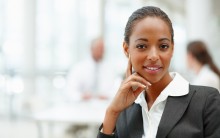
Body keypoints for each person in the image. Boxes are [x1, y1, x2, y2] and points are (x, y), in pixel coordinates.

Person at [97, 6, 220, 138]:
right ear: (127, 49)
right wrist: (112, 112)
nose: (154, 56)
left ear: (172, 49)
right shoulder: (124, 110)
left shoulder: (206, 101)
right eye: (142, 46)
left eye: (163, 46)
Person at [66, 37, 119, 101]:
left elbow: (116, 90)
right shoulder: (78, 68)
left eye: (103, 49)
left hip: (104, 105)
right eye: (99, 49)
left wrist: (107, 96)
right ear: (91, 49)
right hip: (82, 106)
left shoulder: (110, 69)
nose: (102, 52)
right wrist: (82, 96)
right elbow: (70, 91)